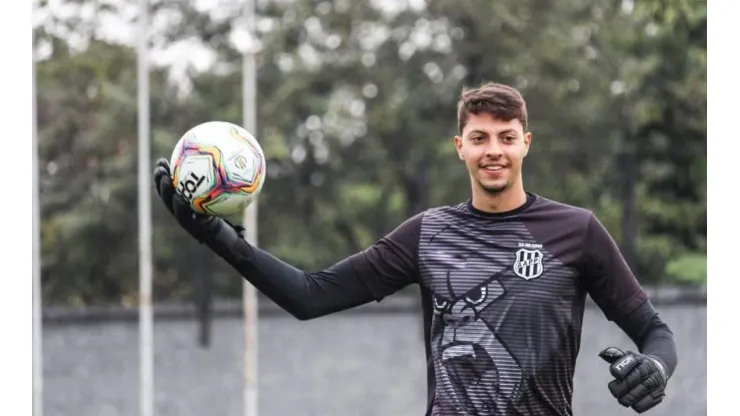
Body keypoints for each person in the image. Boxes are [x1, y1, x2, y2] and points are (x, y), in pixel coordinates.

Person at [153, 82, 677, 415]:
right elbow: (310, 296)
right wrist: (217, 237)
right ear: (460, 147)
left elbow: (655, 332)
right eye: (479, 138)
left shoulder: (576, 230)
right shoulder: (429, 233)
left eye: (505, 137)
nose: (493, 150)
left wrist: (656, 368)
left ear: (525, 143)